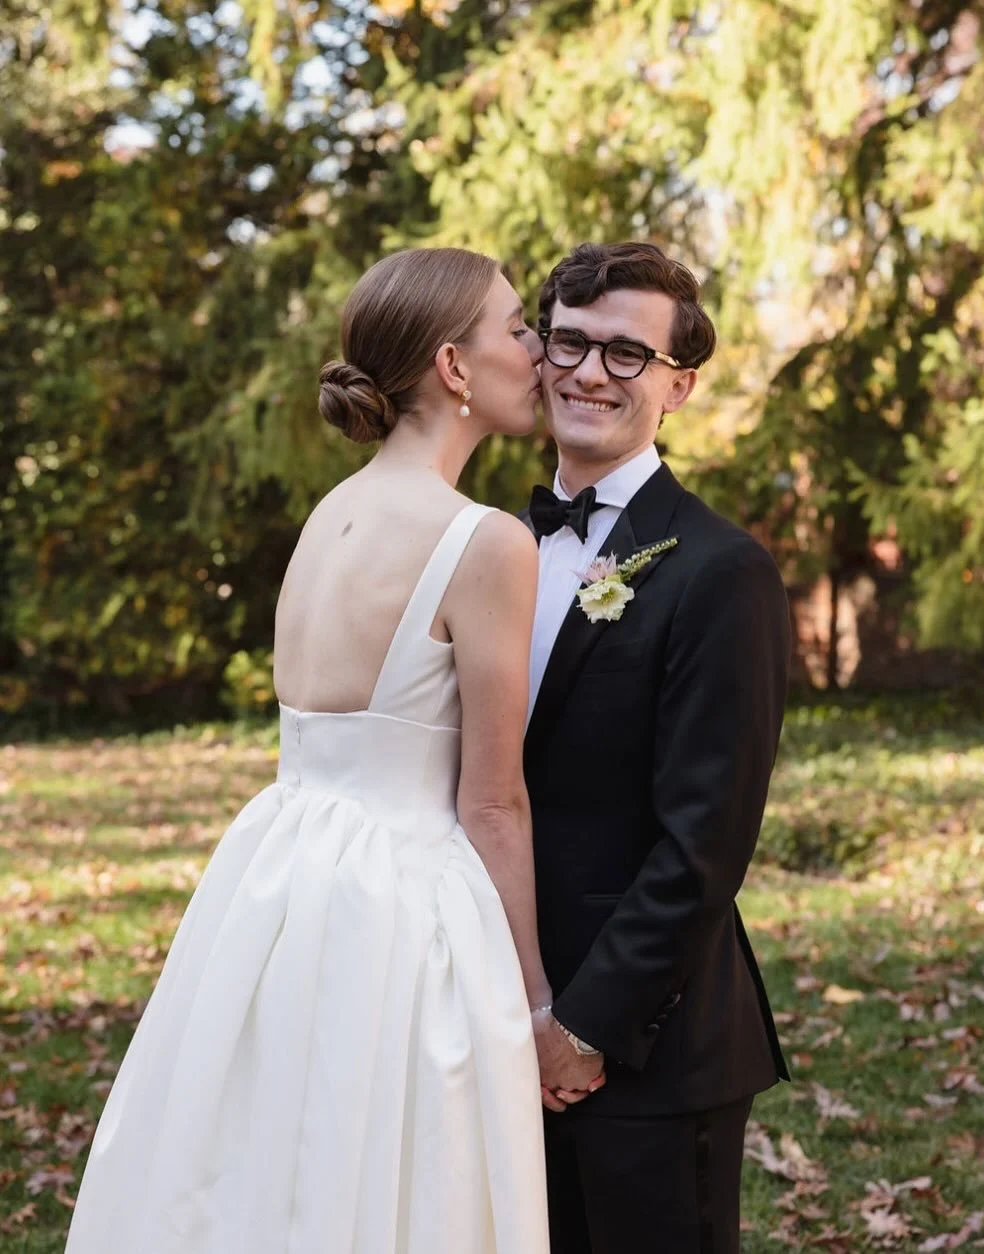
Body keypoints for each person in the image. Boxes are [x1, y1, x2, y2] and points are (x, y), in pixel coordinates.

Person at [65, 247, 603, 1254]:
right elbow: (492, 803)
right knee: (400, 1181)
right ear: (453, 367)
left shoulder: (329, 516)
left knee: (273, 1167)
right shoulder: (486, 541)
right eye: (516, 330)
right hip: (399, 903)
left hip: (279, 881)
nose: (537, 352)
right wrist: (535, 1010)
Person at [522, 242, 790, 1254]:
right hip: (495, 1028)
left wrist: (583, 1027)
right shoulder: (496, 545)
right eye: (572, 343)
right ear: (540, 354)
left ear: (676, 385)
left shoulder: (721, 571)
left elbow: (703, 842)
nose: (590, 372)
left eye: (626, 355)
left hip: (646, 1050)